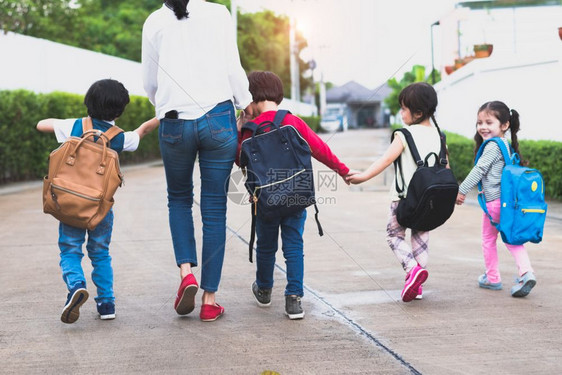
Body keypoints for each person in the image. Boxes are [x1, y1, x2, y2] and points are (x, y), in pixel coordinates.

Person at [141, 0, 255, 321]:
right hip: (217, 117)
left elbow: (149, 83)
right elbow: (233, 68)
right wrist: (245, 104)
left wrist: (165, 104)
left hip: (174, 121)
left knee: (178, 200)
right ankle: (209, 299)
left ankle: (186, 275)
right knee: (215, 208)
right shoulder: (219, 13)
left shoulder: (154, 22)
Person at [36, 79, 159, 323]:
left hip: (69, 204)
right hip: (99, 210)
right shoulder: (120, 138)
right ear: (120, 110)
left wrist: (62, 123)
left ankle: (76, 286)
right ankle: (106, 304)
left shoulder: (74, 126)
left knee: (70, 250)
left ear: (88, 102)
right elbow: (143, 130)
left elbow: (41, 125)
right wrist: (163, 115)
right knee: (100, 253)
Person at [236, 71, 350, 319]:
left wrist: (240, 125)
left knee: (265, 246)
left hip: (264, 201)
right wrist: (342, 170)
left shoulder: (249, 130)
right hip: (296, 196)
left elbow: (238, 160)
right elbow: (319, 148)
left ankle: (264, 290)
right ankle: (294, 299)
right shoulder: (292, 121)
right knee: (294, 245)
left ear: (251, 98)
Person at [346, 82, 444, 302]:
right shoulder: (440, 135)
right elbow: (444, 168)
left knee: (394, 235)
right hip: (429, 200)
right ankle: (417, 286)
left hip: (403, 198)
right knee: (421, 238)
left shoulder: (404, 134)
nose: (401, 113)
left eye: (403, 108)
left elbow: (385, 160)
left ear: (417, 112)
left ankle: (412, 270)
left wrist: (362, 176)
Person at [456, 101, 536, 297]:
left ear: (504, 125)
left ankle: (499, 276)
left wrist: (462, 189)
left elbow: (480, 169)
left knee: (492, 240)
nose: (482, 127)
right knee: (508, 239)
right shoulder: (506, 146)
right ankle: (518, 273)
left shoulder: (492, 146)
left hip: (495, 204)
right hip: (505, 203)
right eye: (479, 122)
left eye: (488, 122)